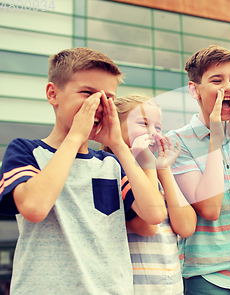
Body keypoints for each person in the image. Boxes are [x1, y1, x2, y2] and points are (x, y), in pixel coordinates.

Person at [0, 48, 167, 294]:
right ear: (53, 94)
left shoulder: (111, 164)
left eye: (107, 98)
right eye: (87, 93)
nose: (98, 104)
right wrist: (76, 135)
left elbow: (153, 215)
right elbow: (34, 208)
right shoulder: (26, 151)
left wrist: (119, 145)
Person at [166, 45, 230, 294]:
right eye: (217, 80)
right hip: (207, 278)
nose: (229, 87)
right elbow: (209, 209)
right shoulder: (177, 143)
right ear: (195, 90)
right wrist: (215, 136)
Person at [105, 94, 197, 294]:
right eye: (143, 123)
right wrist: (147, 165)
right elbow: (147, 226)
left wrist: (163, 169)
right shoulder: (113, 170)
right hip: (137, 288)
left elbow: (187, 227)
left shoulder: (154, 173)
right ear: (115, 127)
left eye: (157, 127)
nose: (153, 132)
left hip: (171, 287)